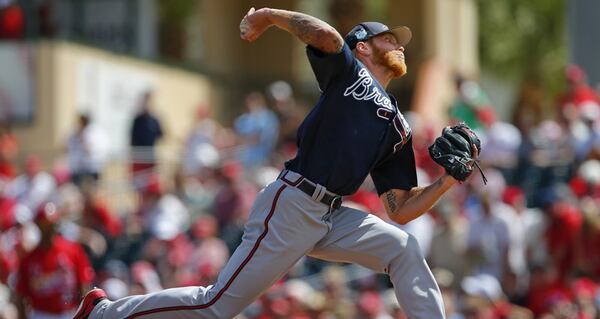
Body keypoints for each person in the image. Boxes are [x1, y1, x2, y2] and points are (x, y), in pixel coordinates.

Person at [75, 7, 481, 319]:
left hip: (332, 215)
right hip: (293, 204)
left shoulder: (398, 124)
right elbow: (324, 34)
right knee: (216, 306)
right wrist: (268, 16)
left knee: (403, 248)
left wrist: (446, 181)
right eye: (389, 39)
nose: (400, 45)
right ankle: (104, 312)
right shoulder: (350, 74)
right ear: (362, 46)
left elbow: (400, 209)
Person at [15, 202, 95, 319]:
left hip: (69, 313)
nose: (48, 229)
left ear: (57, 224)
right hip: (41, 314)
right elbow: (21, 296)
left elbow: (83, 284)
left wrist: (83, 313)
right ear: (38, 226)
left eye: (51, 225)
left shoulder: (73, 250)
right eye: (44, 225)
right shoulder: (29, 259)